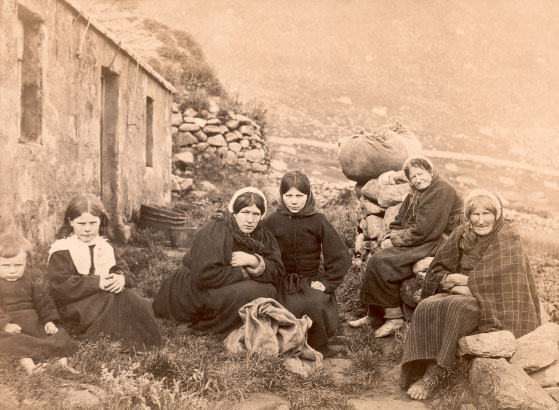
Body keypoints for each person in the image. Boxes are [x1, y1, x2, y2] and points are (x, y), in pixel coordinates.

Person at [401, 189, 541, 400]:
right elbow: (438, 268)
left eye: (487, 213)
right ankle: (417, 365)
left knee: (456, 309)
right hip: (460, 291)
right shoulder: (462, 233)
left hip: (494, 299)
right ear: (468, 215)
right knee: (426, 305)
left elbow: (503, 281)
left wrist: (464, 281)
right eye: (476, 214)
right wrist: (452, 283)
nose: (481, 220)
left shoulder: (507, 236)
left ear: (496, 214)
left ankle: (435, 374)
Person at [349, 155, 464, 337]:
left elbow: (425, 230)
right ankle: (374, 314)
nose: (418, 180)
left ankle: (394, 318)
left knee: (382, 262)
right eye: (413, 177)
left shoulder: (441, 190)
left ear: (430, 171)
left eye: (421, 174)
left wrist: (394, 240)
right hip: (421, 238)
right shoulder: (415, 192)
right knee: (376, 258)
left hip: (438, 241)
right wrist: (390, 234)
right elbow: (400, 218)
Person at [153, 187, 284, 337]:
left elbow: (277, 272)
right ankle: (207, 326)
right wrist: (244, 272)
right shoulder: (216, 229)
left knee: (267, 290)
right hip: (193, 291)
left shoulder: (261, 234)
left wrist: (253, 261)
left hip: (224, 283)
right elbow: (205, 275)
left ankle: (237, 325)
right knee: (254, 291)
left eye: (256, 214)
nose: (250, 220)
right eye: (245, 212)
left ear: (261, 216)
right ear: (234, 212)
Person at [47, 194, 162, 351]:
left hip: (102, 297)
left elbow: (125, 271)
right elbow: (61, 287)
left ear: (100, 221)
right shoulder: (62, 250)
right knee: (110, 301)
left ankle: (140, 342)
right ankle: (112, 340)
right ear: (71, 222)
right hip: (74, 303)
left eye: (93, 223)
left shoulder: (105, 247)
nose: (87, 229)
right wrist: (97, 282)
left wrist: (120, 277)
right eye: (81, 223)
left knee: (134, 300)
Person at [266, 171, 351, 358]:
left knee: (315, 303)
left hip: (311, 279)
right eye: (289, 196)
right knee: (288, 307)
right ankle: (291, 345)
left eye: (299, 196)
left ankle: (320, 346)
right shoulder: (271, 221)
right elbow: (264, 252)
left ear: (308, 195)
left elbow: (339, 254)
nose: (294, 201)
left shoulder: (318, 219)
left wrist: (328, 282)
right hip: (283, 281)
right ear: (281, 195)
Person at [0, 232, 76, 375]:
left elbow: (43, 303)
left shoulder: (29, 282)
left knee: (59, 336)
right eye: (5, 266)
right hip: (12, 329)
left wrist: (49, 321)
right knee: (13, 343)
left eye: (18, 265)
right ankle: (31, 368)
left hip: (34, 325)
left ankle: (62, 364)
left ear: (26, 263)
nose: (12, 270)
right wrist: (5, 324)